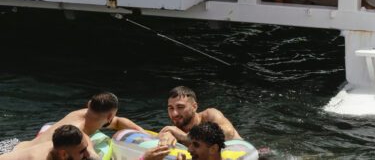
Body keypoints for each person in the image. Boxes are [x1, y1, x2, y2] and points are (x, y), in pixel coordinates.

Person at [13, 93, 144, 152]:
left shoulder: (86, 113)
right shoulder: (77, 134)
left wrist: (143, 132)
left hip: (16, 146)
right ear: (110, 115)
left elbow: (118, 122)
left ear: (89, 104)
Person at [158, 86, 239, 145]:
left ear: (194, 107)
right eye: (171, 108)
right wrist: (168, 134)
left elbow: (228, 133)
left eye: (180, 107)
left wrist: (185, 137)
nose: (174, 113)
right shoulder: (178, 126)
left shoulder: (209, 116)